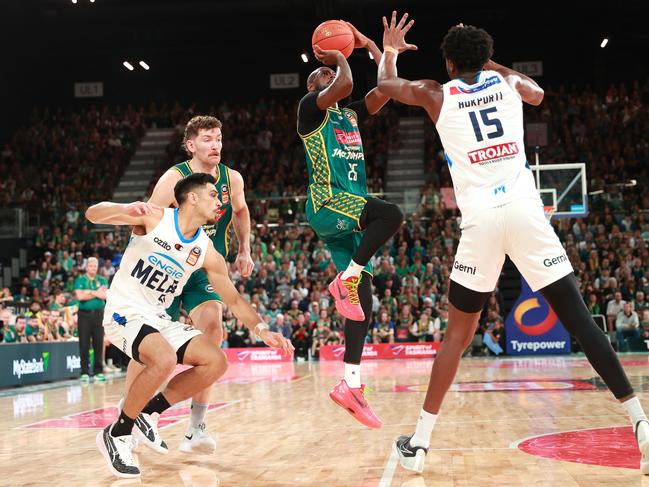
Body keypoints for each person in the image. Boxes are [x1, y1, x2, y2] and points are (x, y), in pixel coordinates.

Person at [377, 13, 649, 473]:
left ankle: (420, 444)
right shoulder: (510, 85)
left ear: (446, 62)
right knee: (581, 321)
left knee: (457, 336)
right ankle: (640, 423)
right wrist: (491, 64)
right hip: (526, 211)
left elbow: (386, 85)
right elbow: (538, 93)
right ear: (486, 58)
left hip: (481, 220)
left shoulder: (435, 93)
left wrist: (388, 49)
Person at [86, 173, 292, 479]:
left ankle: (148, 412)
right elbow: (93, 214)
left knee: (215, 361)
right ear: (192, 197)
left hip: (156, 317)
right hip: (125, 311)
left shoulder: (206, 249)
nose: (219, 201)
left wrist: (262, 329)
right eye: (212, 195)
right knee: (165, 358)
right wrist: (126, 206)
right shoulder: (155, 218)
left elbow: (234, 301)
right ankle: (117, 433)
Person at [122, 115, 254, 454]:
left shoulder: (232, 178)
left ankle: (196, 427)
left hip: (204, 268)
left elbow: (240, 212)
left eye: (219, 138)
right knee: (146, 343)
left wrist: (244, 249)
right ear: (191, 145)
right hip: (168, 265)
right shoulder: (174, 178)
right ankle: (129, 417)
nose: (216, 145)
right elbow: (148, 218)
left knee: (214, 330)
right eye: (208, 139)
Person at [297, 21, 404, 429]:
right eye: (321, 75)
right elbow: (342, 84)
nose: (330, 76)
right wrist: (340, 53)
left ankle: (351, 384)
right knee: (391, 214)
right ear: (315, 88)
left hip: (348, 211)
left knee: (364, 303)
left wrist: (375, 48)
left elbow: (387, 89)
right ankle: (347, 279)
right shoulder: (311, 110)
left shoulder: (351, 116)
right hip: (328, 202)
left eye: (329, 70)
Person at [74, 257, 108, 382]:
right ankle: (84, 372)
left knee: (99, 343)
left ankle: (98, 371)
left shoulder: (102, 280)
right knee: (84, 344)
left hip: (99, 314)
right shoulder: (80, 280)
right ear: (87, 267)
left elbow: (104, 295)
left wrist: (89, 292)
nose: (93, 268)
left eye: (95, 266)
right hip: (84, 315)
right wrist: (96, 293)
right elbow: (80, 296)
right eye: (91, 265)